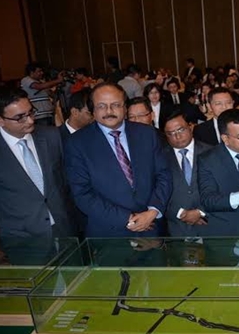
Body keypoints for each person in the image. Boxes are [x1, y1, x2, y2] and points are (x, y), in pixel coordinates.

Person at [64, 83, 172, 237]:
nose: (109, 111)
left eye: (115, 105)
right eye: (101, 106)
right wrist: (128, 218)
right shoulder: (77, 143)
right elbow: (82, 193)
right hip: (109, 232)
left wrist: (153, 211)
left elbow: (164, 175)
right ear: (92, 110)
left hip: (152, 225)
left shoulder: (147, 134)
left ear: (125, 107)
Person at [0, 87, 77, 238]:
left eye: (31, 112)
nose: (30, 120)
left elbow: (66, 181)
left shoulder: (51, 136)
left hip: (64, 229)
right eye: (20, 117)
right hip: (22, 237)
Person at [163, 111, 212, 237]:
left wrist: (201, 212)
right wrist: (181, 214)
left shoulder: (211, 152)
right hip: (177, 228)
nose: (177, 136)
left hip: (210, 224)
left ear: (190, 127)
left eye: (181, 130)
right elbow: (156, 193)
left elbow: (222, 188)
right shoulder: (160, 158)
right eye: (171, 133)